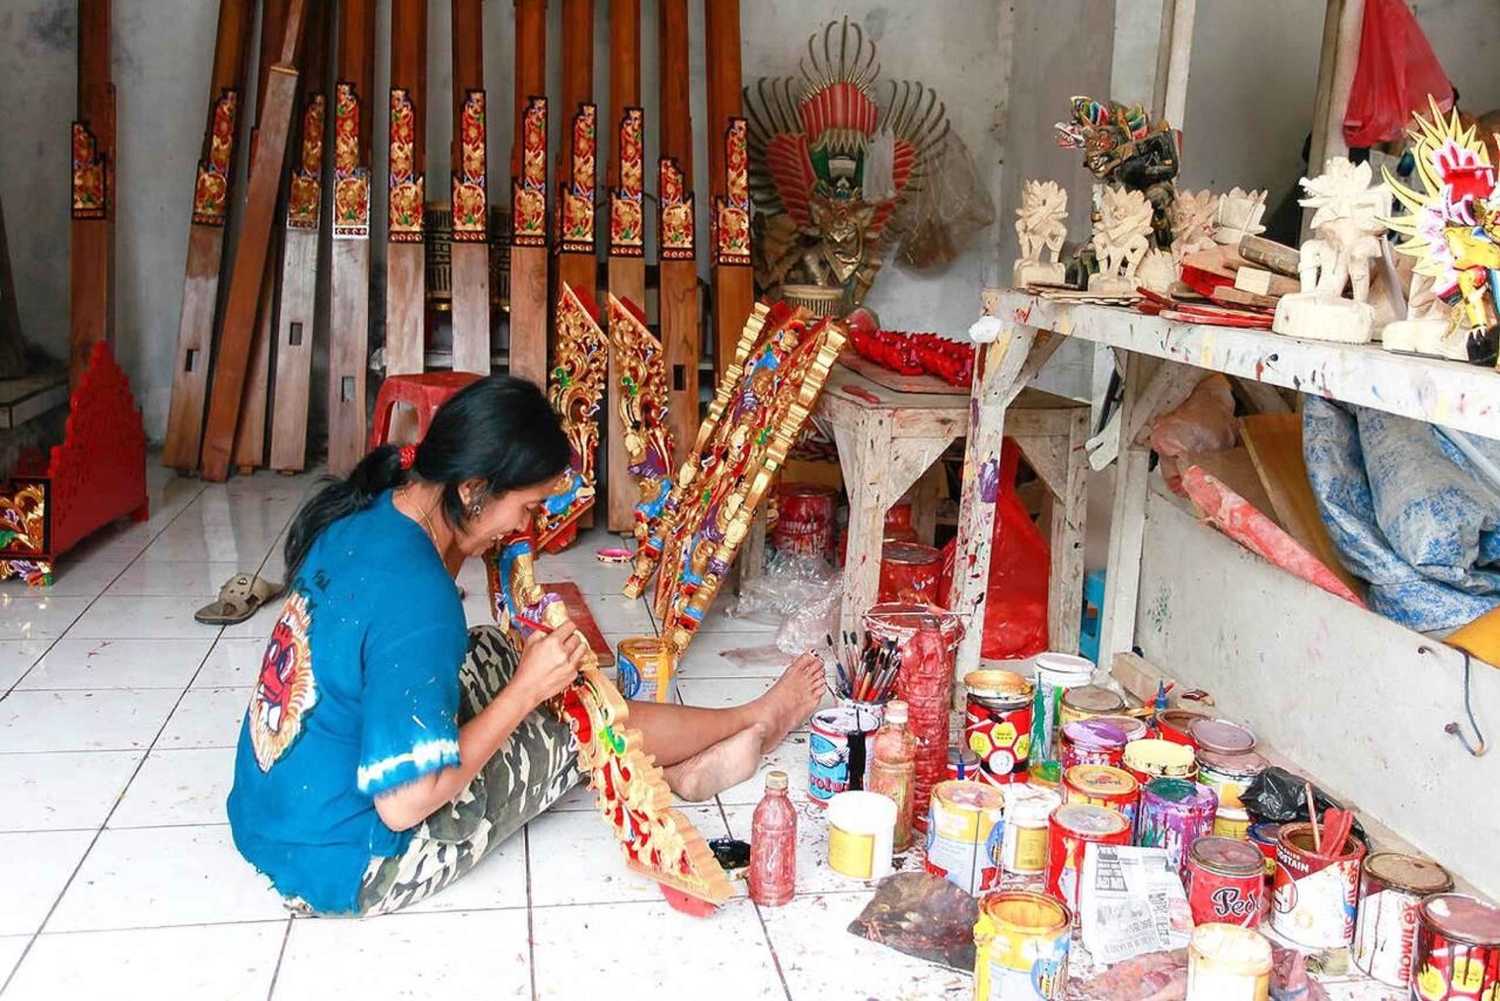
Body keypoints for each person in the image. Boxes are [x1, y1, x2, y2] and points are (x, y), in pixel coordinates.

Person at [227, 376, 824, 916]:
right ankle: (754, 720)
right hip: (353, 862)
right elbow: (404, 804)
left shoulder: (373, 511)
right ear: (473, 489)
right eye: (526, 507)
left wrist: (522, 670)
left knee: (493, 648)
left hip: (274, 815)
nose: (522, 526)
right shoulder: (419, 599)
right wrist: (524, 692)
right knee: (576, 722)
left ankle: (685, 765)